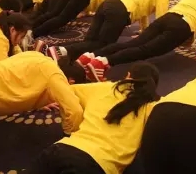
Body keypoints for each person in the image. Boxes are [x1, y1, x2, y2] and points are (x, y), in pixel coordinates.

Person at [27, 62, 160, 174]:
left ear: (128, 76)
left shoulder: (105, 88)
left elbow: (64, 90)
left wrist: (41, 102)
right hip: (97, 165)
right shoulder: (154, 107)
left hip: (63, 148)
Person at [77, 0, 196, 81]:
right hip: (183, 26)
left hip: (168, 17)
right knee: (145, 50)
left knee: (133, 43)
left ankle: (90, 56)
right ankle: (103, 62)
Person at [56, 0, 179, 62]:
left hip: (107, 4)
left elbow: (143, 11)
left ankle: (65, 55)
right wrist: (159, 38)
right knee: (103, 45)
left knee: (90, 41)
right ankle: (66, 53)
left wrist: (143, 31)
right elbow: (162, 19)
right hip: (119, 12)